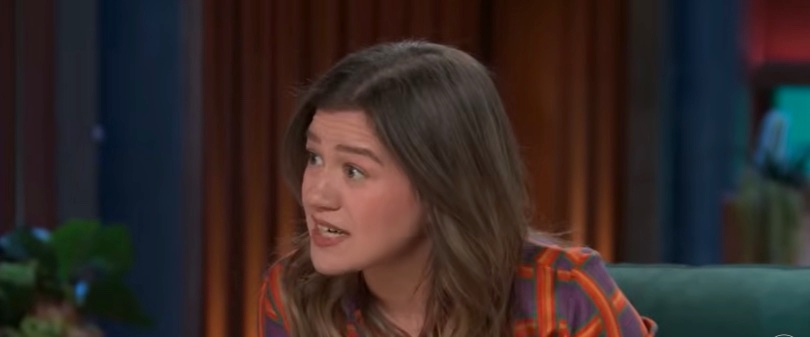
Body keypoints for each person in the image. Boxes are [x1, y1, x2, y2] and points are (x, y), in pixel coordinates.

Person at [259, 40, 657, 337]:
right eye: (314, 158)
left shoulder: (563, 297)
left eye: (354, 171)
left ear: (440, 185)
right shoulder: (295, 296)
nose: (316, 195)